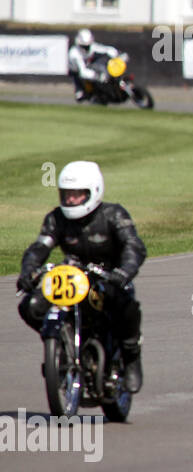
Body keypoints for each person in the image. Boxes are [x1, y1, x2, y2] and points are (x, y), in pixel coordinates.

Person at [16, 161, 147, 390]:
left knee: (126, 307)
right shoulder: (56, 218)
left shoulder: (114, 214)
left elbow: (133, 246)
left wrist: (123, 272)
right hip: (71, 279)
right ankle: (62, 343)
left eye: (77, 195)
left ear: (93, 192)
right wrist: (28, 271)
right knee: (30, 306)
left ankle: (131, 358)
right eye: (67, 194)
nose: (70, 200)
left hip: (109, 279)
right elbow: (39, 247)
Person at [67, 28, 122, 102]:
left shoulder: (92, 46)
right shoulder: (74, 53)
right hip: (77, 71)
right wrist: (97, 76)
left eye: (87, 46)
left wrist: (116, 54)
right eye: (84, 46)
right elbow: (83, 71)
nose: (86, 48)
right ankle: (81, 91)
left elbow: (105, 49)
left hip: (90, 66)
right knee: (80, 92)